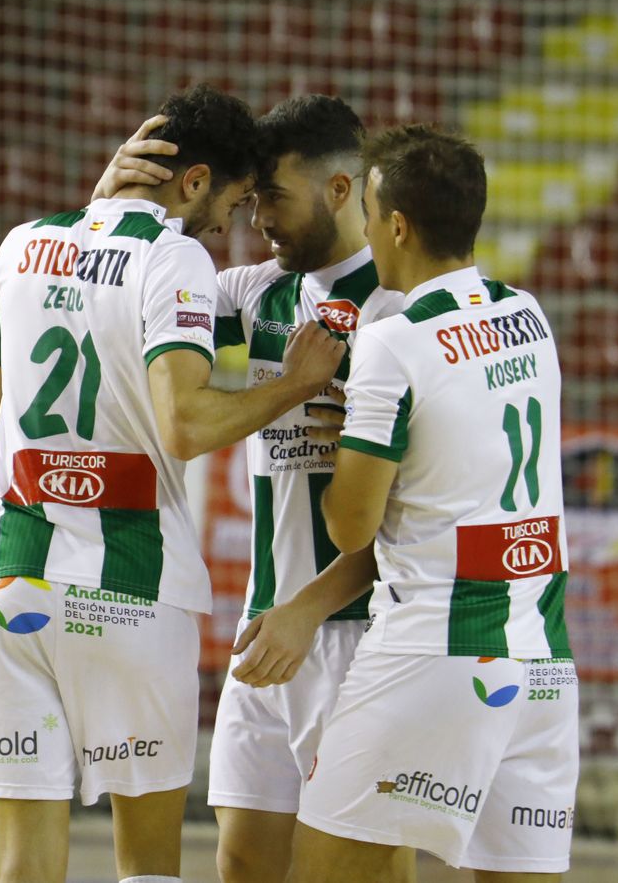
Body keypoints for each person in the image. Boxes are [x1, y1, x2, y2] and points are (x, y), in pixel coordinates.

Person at [0, 84, 347, 883]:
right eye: (230, 204)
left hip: (14, 584)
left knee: (22, 861)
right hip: (130, 590)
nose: (229, 226)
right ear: (193, 181)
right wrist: (295, 385)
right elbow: (186, 426)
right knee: (148, 866)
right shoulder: (175, 258)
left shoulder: (21, 244)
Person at [96, 94, 413, 883]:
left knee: (368, 872)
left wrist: (311, 610)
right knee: (242, 867)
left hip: (363, 633)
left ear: (339, 189)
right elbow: (123, 274)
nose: (257, 217)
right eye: (252, 198)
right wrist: (110, 196)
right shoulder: (249, 293)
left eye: (274, 196)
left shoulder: (403, 311)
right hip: (265, 633)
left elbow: (424, 514)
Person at [289, 126, 577, 882]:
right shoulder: (529, 316)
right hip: (543, 661)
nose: (364, 232)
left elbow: (350, 526)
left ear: (397, 226)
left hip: (434, 655)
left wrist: (355, 447)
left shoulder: (393, 342)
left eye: (370, 213)